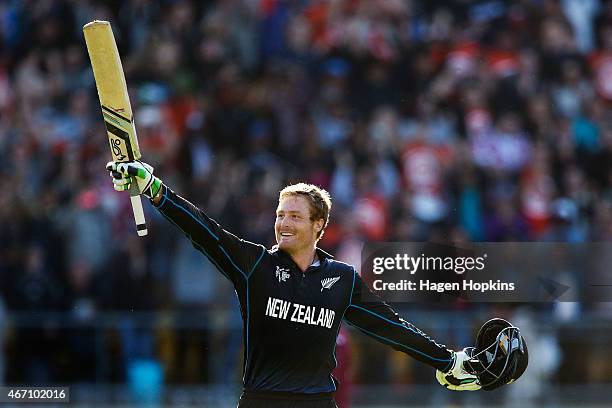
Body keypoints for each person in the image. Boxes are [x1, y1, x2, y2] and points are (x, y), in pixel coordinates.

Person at [106, 160, 480, 408]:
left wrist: (447, 361)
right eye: (280, 214)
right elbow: (204, 230)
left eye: (295, 216)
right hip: (261, 400)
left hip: (317, 402)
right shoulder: (255, 265)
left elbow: (390, 327)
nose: (283, 222)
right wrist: (155, 189)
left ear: (319, 226)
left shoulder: (342, 279)